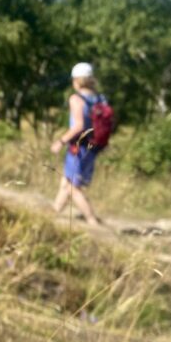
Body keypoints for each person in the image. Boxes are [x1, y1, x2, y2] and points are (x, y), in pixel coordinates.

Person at [50, 62, 102, 227]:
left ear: (77, 80)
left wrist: (60, 141)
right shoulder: (99, 98)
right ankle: (53, 212)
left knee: (72, 187)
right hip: (92, 147)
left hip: (78, 147)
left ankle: (92, 219)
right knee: (66, 182)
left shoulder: (76, 99)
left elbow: (78, 126)